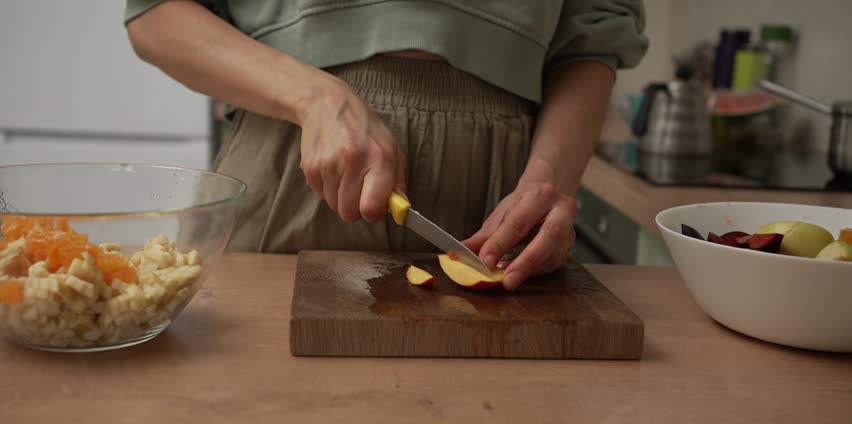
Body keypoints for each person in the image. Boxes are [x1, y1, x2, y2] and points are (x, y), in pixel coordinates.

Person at [124, 0, 648, 291]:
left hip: (499, 200)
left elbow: (594, 33)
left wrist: (548, 179)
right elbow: (155, 15)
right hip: (293, 159)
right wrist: (316, 99)